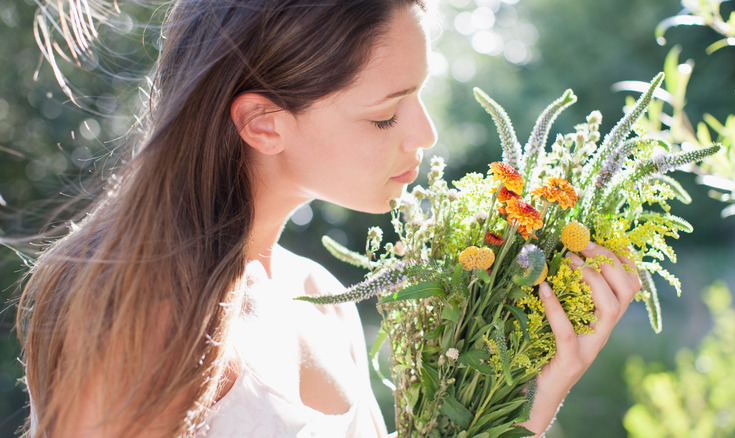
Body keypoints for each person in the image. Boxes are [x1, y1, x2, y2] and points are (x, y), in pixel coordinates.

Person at [16, 0, 642, 437]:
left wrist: (530, 397)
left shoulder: (321, 294)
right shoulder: (140, 313)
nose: (422, 135)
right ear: (264, 124)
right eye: (384, 115)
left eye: (419, 96)